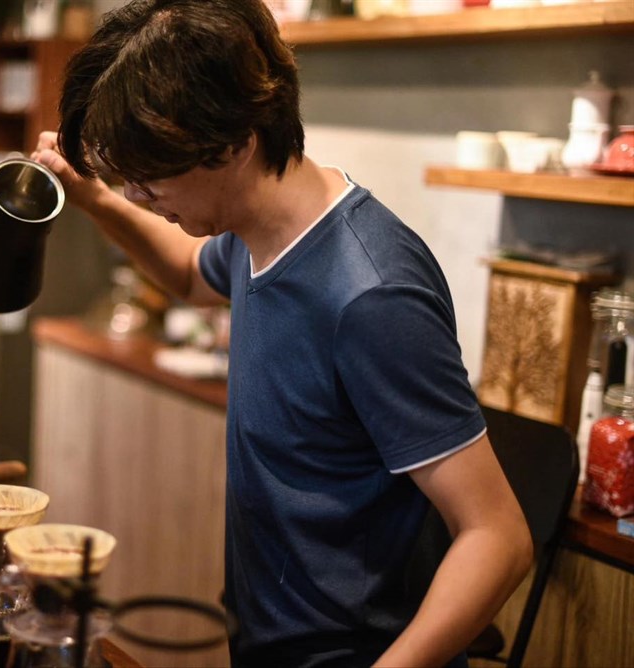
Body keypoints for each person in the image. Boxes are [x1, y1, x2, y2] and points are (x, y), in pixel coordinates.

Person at [31, 1, 532, 665]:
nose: (136, 196)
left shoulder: (372, 294)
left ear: (234, 143)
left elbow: (497, 537)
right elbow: (187, 273)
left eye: (150, 177)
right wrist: (90, 196)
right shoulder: (256, 230)